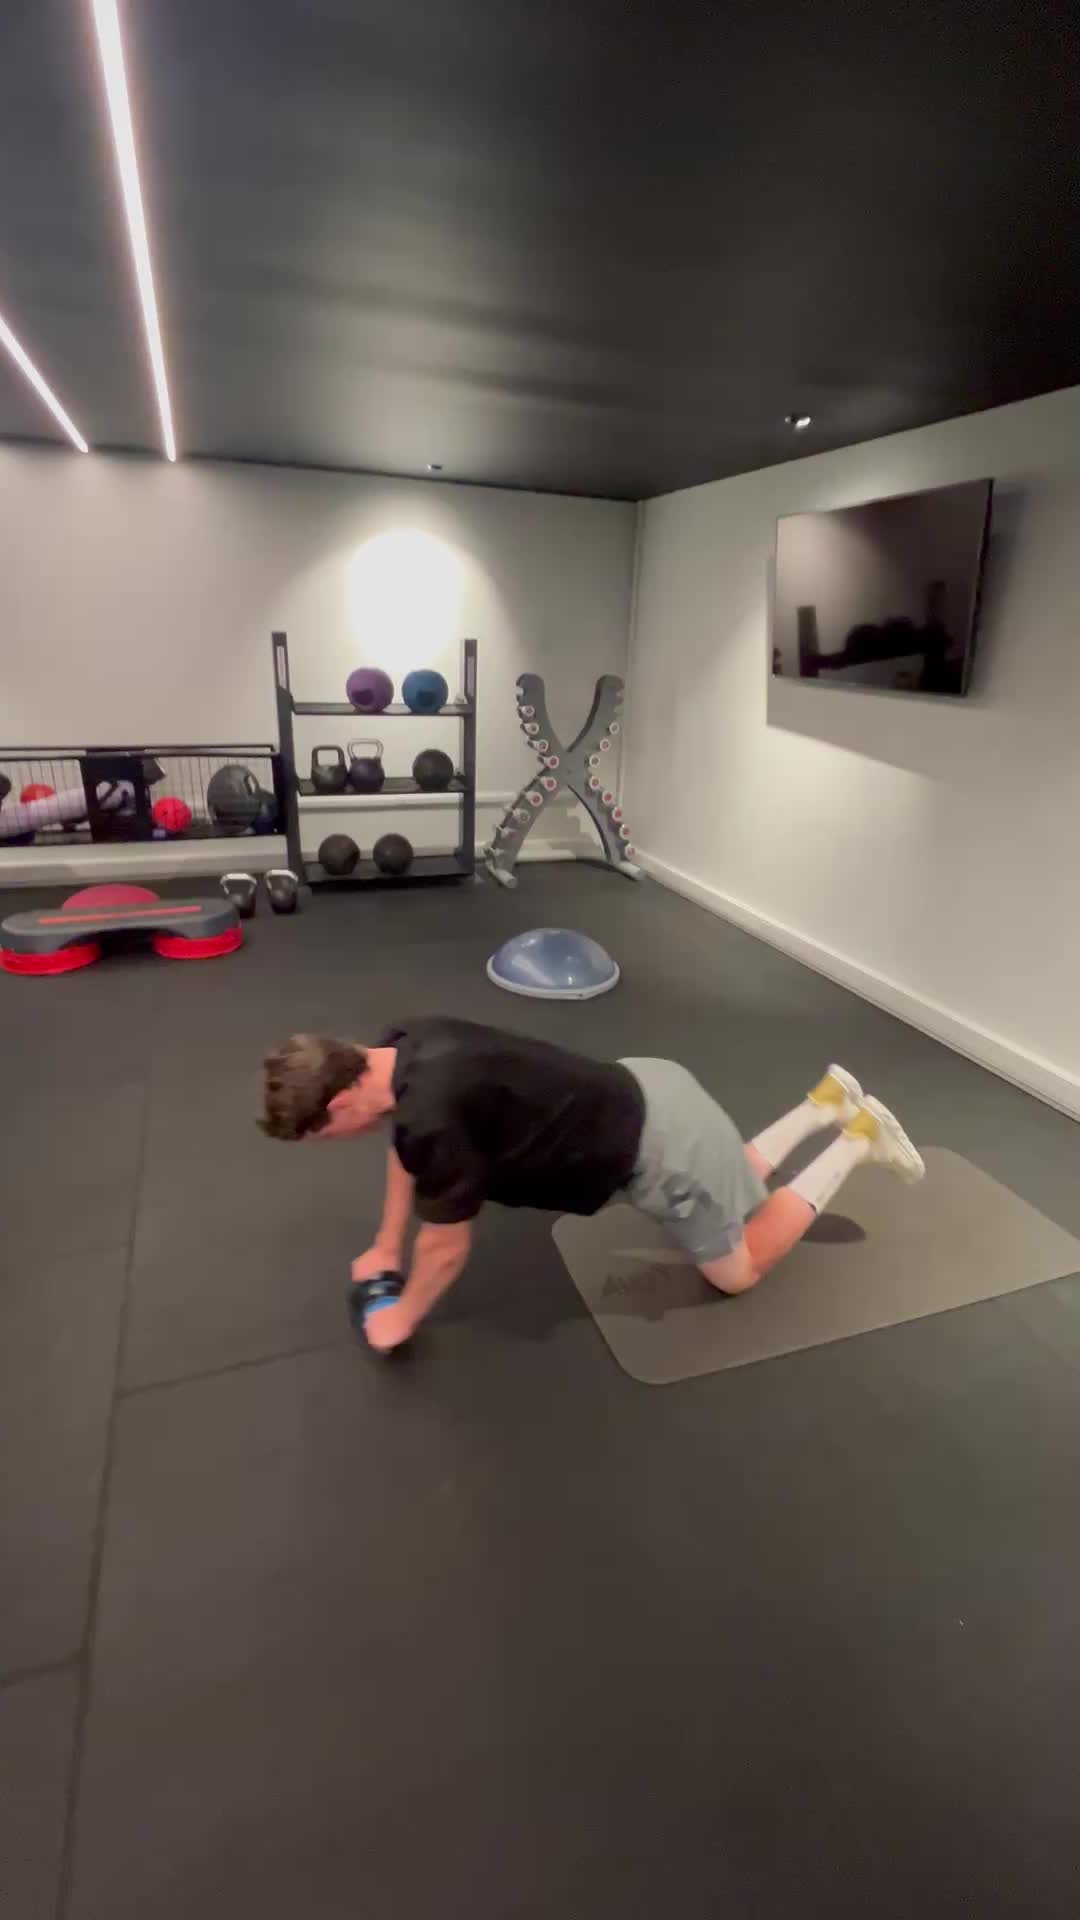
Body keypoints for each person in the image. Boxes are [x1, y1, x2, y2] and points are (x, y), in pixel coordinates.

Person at [258, 1017, 924, 1352]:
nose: (333, 1144)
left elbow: (446, 1248)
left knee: (738, 1268)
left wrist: (400, 1318)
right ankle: (824, 1104)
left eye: (323, 1135)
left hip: (661, 1148)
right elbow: (405, 1151)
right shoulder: (401, 1044)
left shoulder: (427, 1113)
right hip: (645, 1084)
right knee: (731, 1178)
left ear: (339, 1104)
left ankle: (858, 1140)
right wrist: (384, 1246)